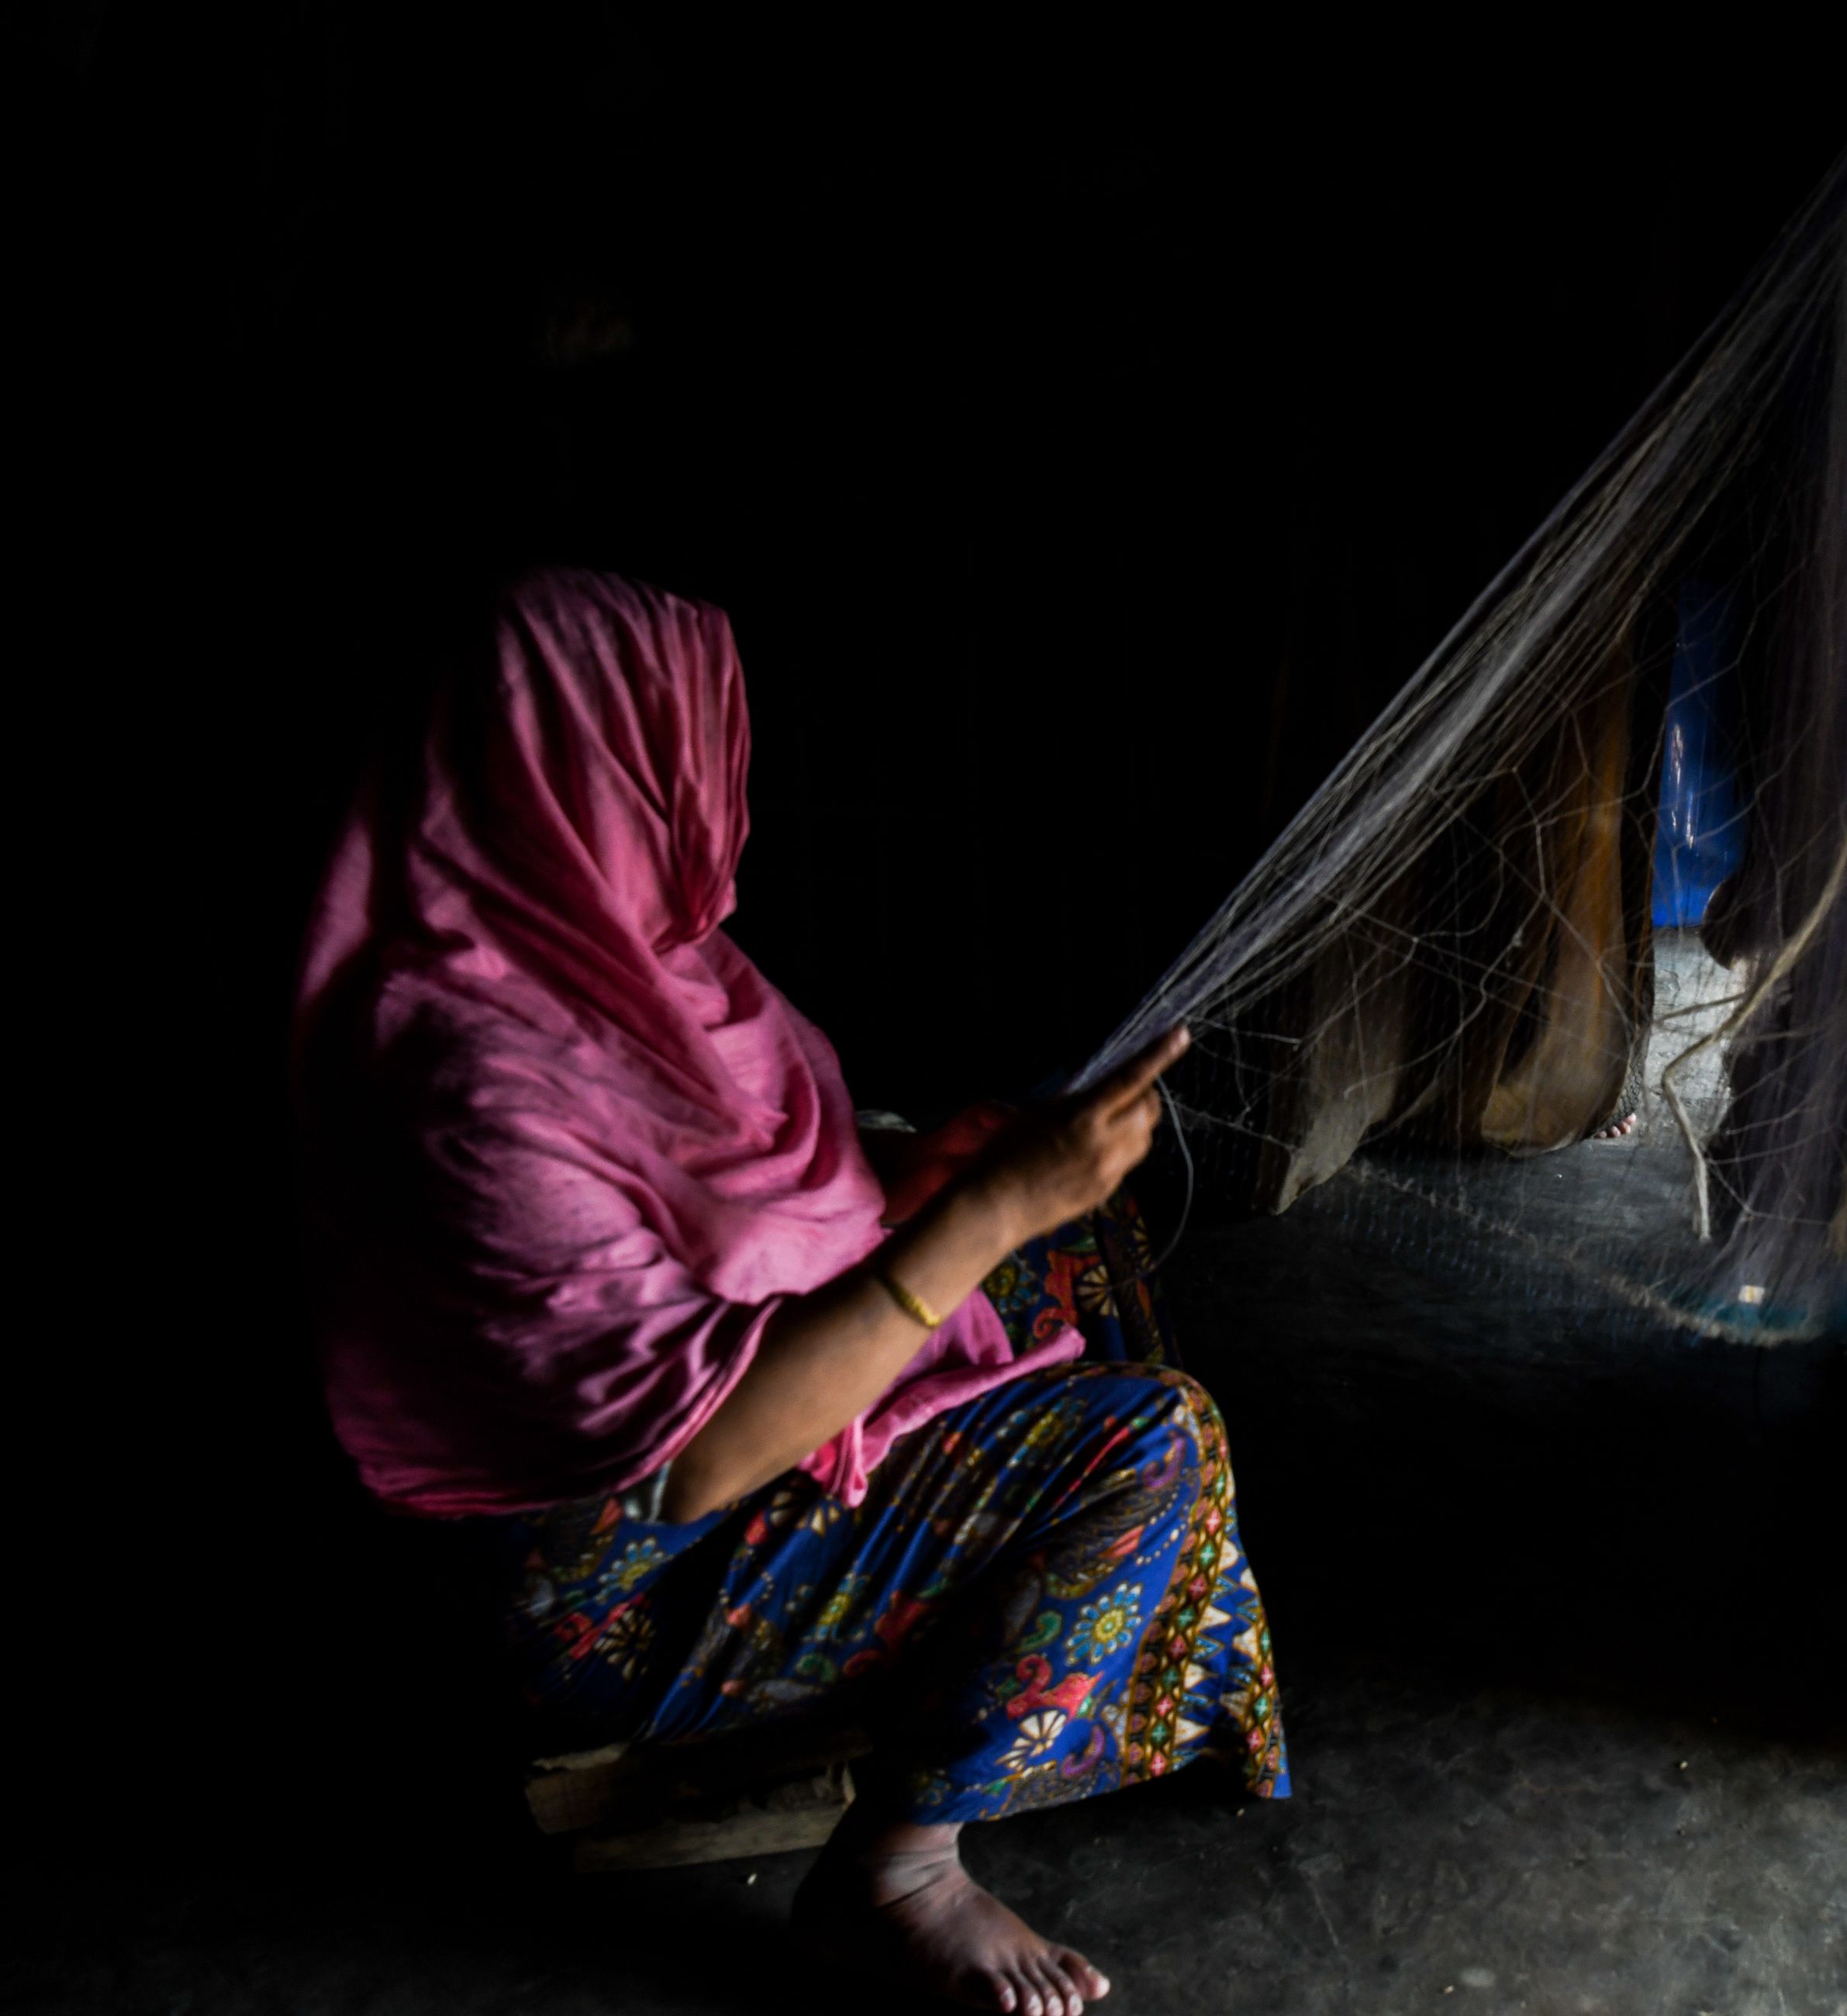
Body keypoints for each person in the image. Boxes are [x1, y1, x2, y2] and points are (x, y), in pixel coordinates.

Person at [295, 569, 1285, 2015]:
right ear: (590, 774)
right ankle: (896, 1865)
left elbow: (731, 1218)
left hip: (709, 1453)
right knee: (1151, 1433)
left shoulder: (615, 959)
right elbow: (695, 1462)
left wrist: (909, 1188)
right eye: (673, 757)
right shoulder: (475, 1087)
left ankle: (1025, 1658)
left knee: (1086, 1253)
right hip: (620, 1592)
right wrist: (980, 1215)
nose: (709, 794)